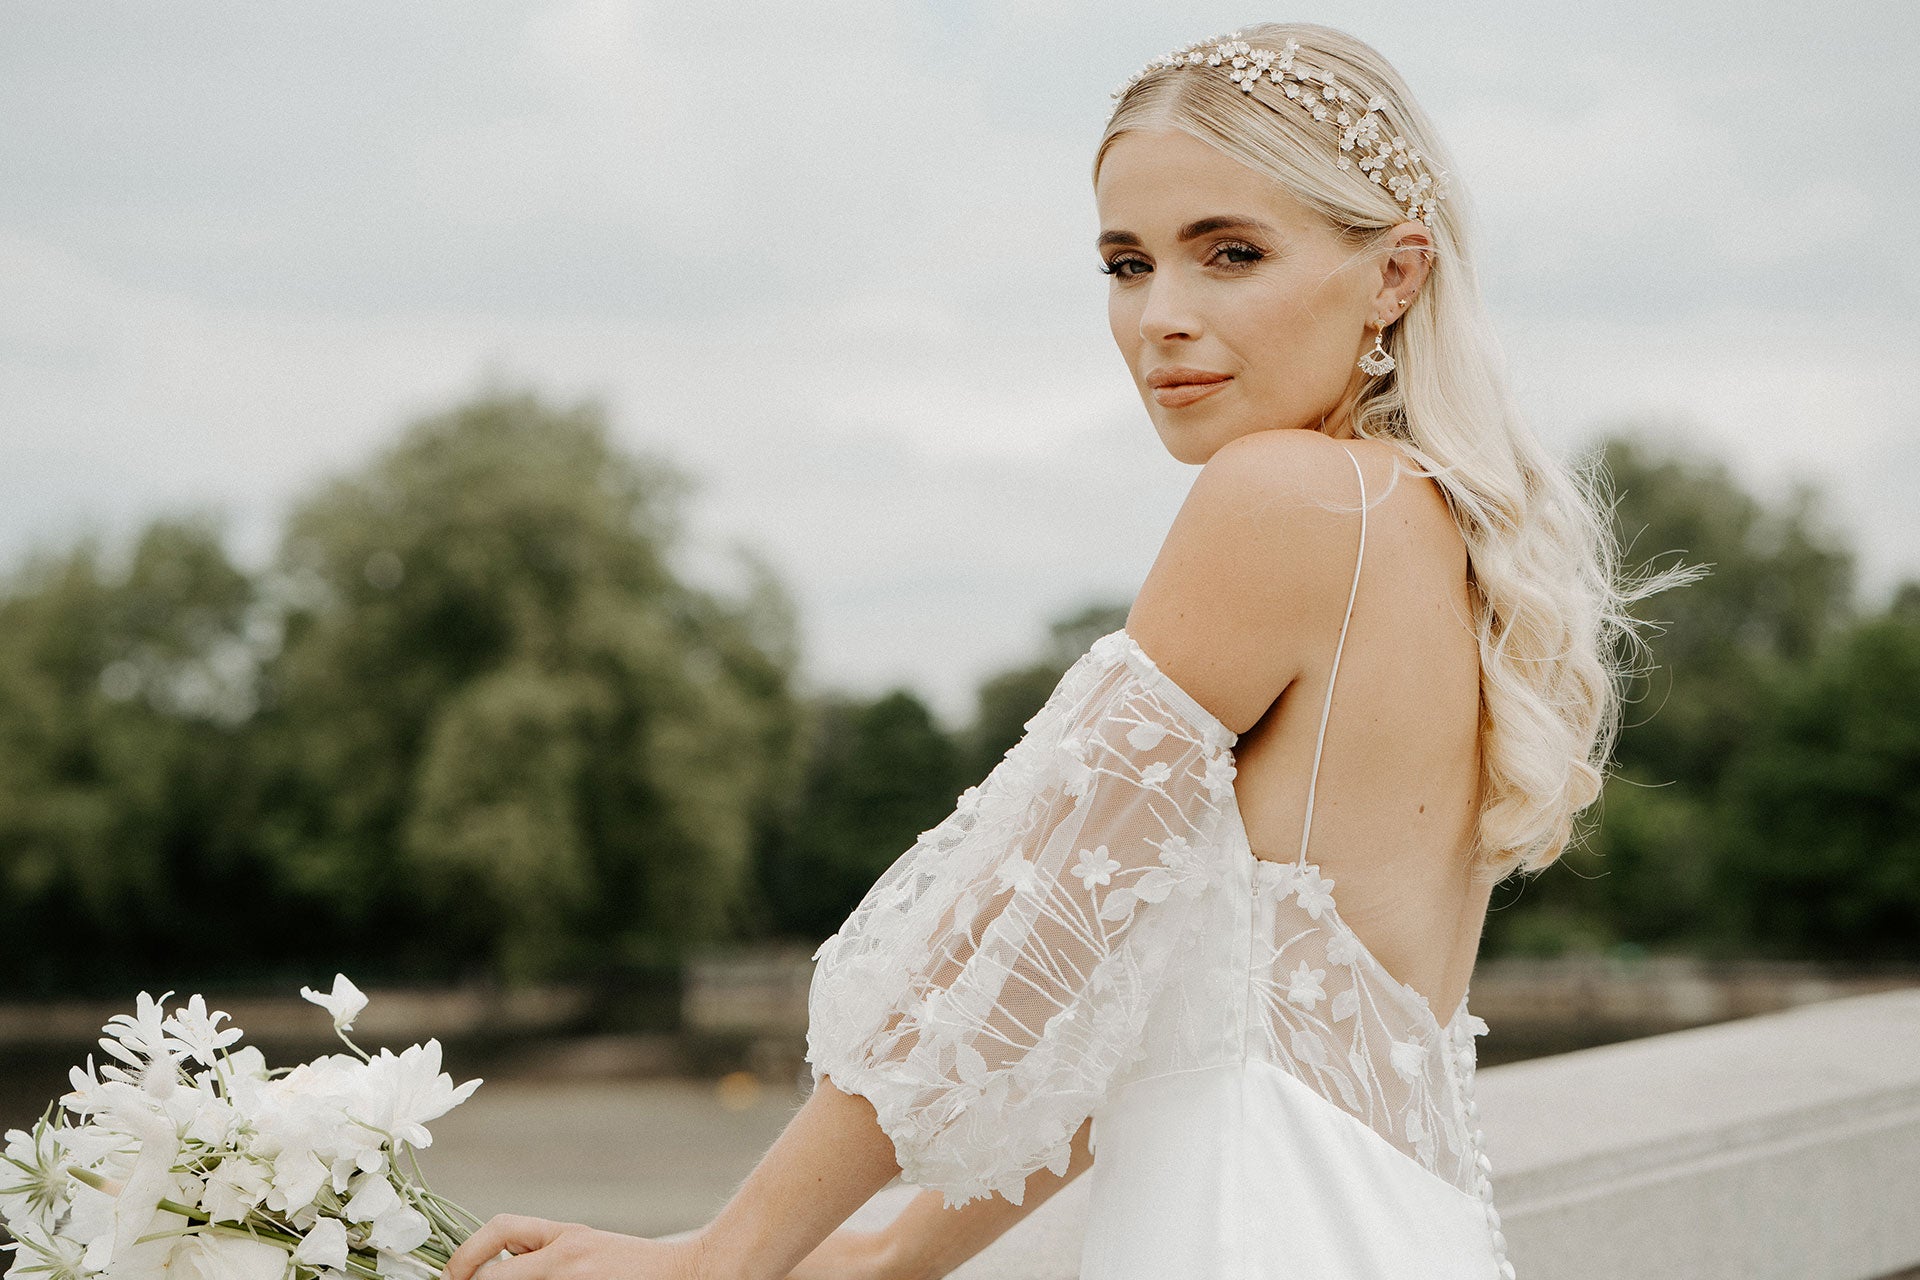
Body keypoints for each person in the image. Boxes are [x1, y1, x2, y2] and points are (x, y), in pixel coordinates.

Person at [441, 21, 1701, 1280]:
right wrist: (880, 1261)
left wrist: (726, 1253)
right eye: (1126, 262)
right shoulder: (1450, 537)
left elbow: (1022, 927)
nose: (1164, 317)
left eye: (1232, 254)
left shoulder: (1286, 498)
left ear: (1395, 273)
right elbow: (1167, 1024)